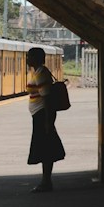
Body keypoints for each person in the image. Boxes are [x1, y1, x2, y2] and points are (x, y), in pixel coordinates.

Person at [25, 47, 64, 192]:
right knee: (45, 147)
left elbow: (46, 97)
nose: (27, 59)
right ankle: (46, 181)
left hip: (42, 115)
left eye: (29, 56)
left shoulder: (41, 72)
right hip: (40, 115)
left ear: (36, 58)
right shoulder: (37, 72)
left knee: (46, 149)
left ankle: (46, 182)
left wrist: (48, 121)